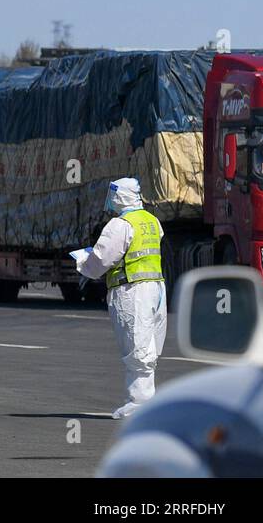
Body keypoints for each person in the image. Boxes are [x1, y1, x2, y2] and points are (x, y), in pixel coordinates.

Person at [74, 177, 168, 420]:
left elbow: (101, 260)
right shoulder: (152, 220)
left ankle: (139, 403)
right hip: (155, 288)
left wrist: (83, 263)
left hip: (132, 291)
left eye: (113, 195)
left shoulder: (120, 225)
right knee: (149, 347)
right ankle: (145, 399)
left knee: (136, 347)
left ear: (120, 196)